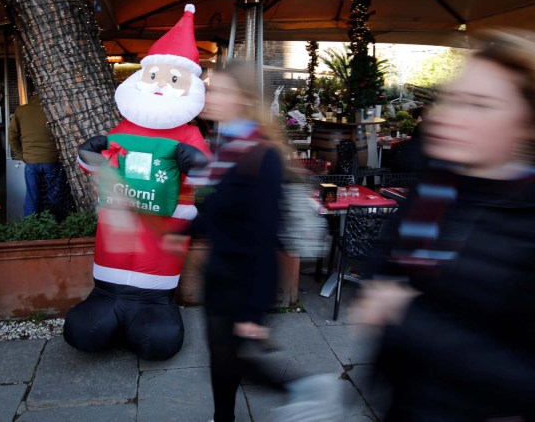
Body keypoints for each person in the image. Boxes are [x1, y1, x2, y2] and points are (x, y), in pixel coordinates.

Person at [350, 28, 535, 421]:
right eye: (451, 99)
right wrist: (375, 285)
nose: (448, 115)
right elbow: (388, 252)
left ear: (526, 125)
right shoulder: (438, 183)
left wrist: (406, 313)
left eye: (480, 104)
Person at [167, 60, 341, 422]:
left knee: (235, 359)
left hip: (243, 281)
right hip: (219, 274)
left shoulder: (262, 154)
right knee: (221, 358)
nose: (210, 95)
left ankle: (304, 389)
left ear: (243, 99)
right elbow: (217, 211)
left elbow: (266, 236)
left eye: (220, 90)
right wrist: (179, 234)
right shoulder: (228, 146)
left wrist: (254, 311)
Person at [63, 4, 211, 361]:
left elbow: (207, 176)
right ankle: (107, 298)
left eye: (173, 79)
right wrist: (90, 153)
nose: (161, 86)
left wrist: (197, 165)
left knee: (157, 338)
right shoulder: (122, 130)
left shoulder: (189, 134)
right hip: (117, 230)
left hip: (163, 237)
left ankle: (154, 305)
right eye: (155, 77)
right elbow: (98, 168)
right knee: (86, 330)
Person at [8, 93, 65, 219]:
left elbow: (12, 136)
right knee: (54, 196)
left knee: (32, 196)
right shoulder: (54, 109)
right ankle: (55, 225)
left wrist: (22, 154)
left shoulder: (22, 110)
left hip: (31, 162)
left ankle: (30, 226)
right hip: (52, 160)